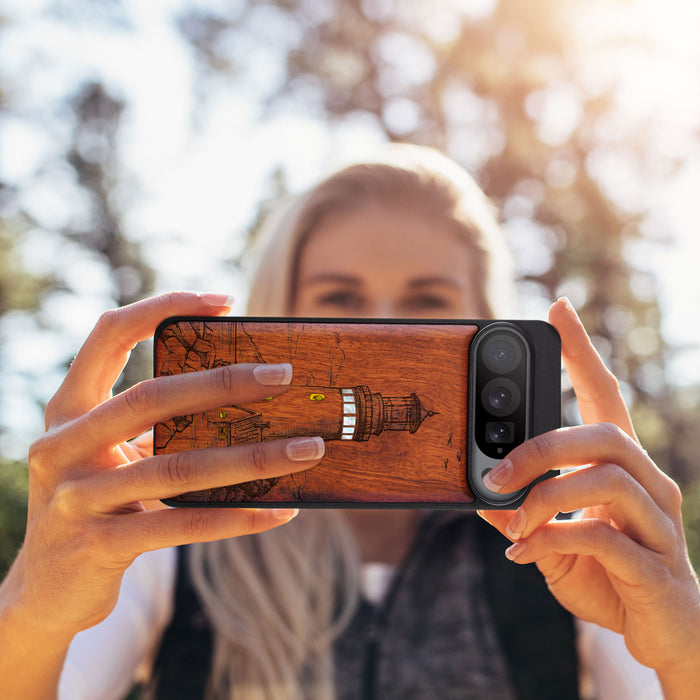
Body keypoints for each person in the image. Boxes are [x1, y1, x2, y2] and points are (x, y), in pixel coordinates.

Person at [0, 145, 698, 700]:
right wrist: (34, 607)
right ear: (281, 313)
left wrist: (685, 648)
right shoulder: (171, 534)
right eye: (340, 298)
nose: (385, 327)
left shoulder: (566, 543)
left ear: (487, 323)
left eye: (428, 301)